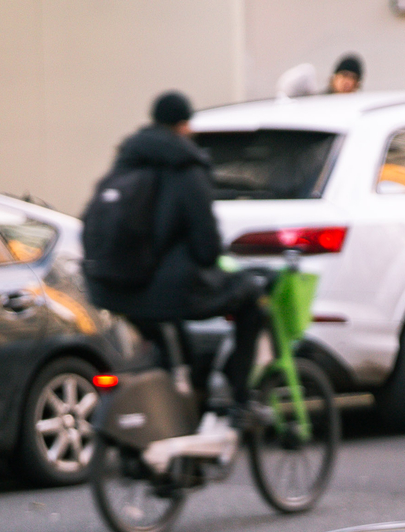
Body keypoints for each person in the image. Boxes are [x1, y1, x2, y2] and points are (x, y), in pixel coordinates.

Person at [82, 91, 272, 419]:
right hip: (164, 289)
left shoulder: (126, 161)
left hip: (107, 286)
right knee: (252, 300)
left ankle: (183, 403)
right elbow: (206, 249)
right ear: (184, 125)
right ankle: (238, 394)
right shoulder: (186, 166)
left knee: (168, 335)